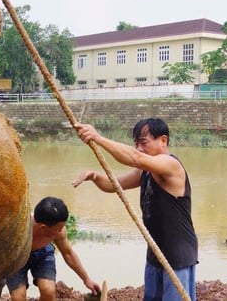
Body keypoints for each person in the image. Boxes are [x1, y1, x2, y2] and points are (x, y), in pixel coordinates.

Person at [72, 118, 198, 301]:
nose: (139, 148)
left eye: (144, 142)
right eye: (136, 143)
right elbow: (113, 185)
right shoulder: (145, 172)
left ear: (163, 140)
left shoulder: (171, 166)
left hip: (177, 253)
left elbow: (135, 158)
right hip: (156, 251)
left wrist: (98, 138)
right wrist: (94, 176)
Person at [6, 196, 101, 301]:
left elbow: (68, 253)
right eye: (59, 228)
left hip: (43, 254)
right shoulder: (18, 229)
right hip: (16, 258)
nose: (61, 230)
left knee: (48, 291)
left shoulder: (59, 231)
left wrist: (86, 279)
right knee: (18, 297)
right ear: (43, 228)